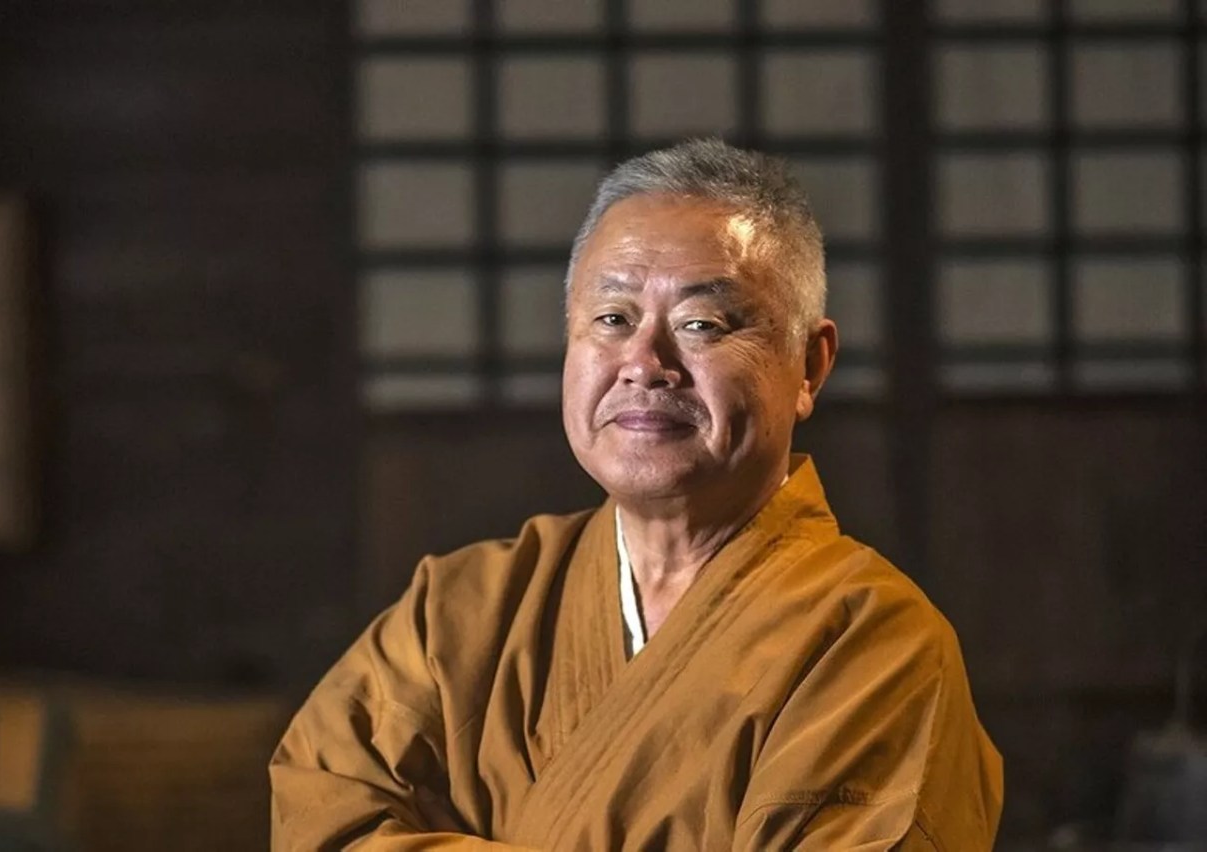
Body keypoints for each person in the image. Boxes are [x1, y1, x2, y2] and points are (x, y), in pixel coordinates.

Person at [269, 139, 1003, 850]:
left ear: (808, 366)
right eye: (613, 319)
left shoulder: (871, 643)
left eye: (701, 324)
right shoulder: (460, 612)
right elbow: (320, 816)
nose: (645, 364)